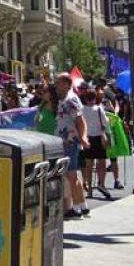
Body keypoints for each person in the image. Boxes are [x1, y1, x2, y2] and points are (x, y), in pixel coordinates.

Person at [55, 72, 90, 220]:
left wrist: (82, 137)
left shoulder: (71, 100)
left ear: (66, 84)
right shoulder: (63, 100)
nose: (56, 85)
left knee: (71, 175)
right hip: (66, 140)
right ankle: (82, 205)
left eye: (58, 82)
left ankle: (75, 208)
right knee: (73, 174)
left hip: (70, 141)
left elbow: (80, 120)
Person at [81, 89, 112, 200]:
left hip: (87, 138)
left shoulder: (82, 109)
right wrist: (109, 137)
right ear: (95, 98)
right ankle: (101, 184)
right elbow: (106, 123)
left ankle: (89, 189)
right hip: (99, 137)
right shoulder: (99, 109)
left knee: (89, 165)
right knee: (101, 163)